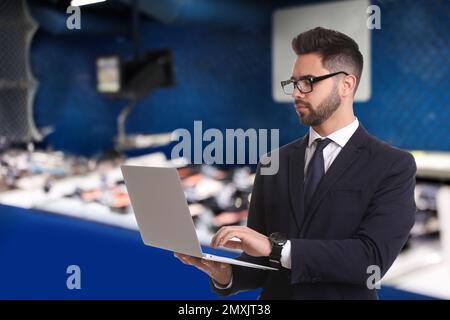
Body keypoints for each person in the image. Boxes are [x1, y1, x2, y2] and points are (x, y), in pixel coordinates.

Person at [174, 27, 416, 300]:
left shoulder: (393, 166)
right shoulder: (273, 162)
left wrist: (275, 248)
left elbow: (369, 261)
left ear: (346, 85)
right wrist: (227, 275)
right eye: (294, 83)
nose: (297, 93)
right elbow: (263, 264)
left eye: (309, 81)